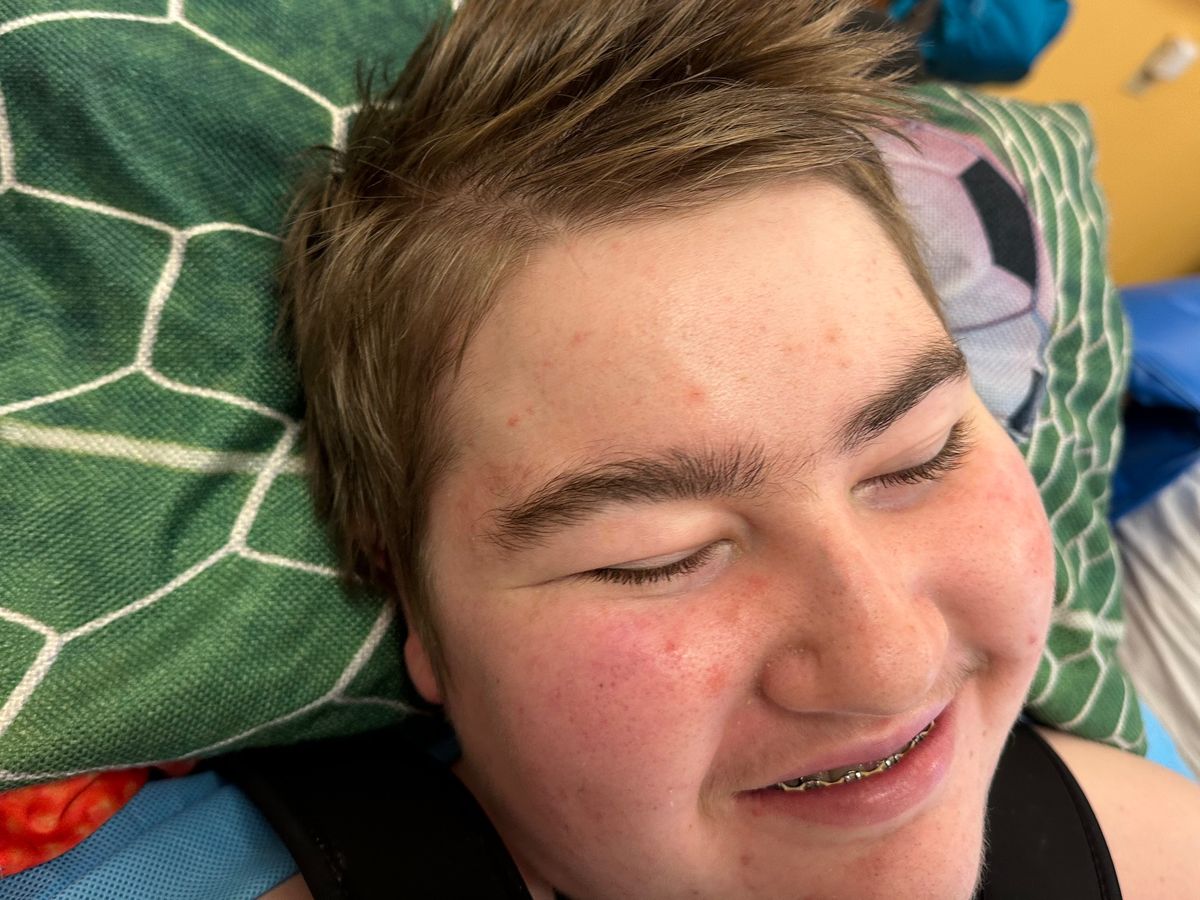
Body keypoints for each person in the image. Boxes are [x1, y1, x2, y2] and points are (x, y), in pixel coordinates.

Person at [260, 0, 1200, 896]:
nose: (890, 665)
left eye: (920, 455)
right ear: (407, 587)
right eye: (657, 557)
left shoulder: (1146, 844)